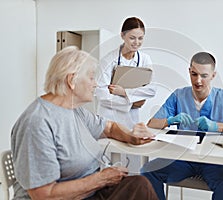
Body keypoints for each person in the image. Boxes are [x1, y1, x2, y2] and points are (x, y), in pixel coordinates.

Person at [11, 46, 158, 200]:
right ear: (72, 80)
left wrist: (131, 136)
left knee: (140, 185)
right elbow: (44, 195)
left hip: (89, 192)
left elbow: (109, 127)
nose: (95, 84)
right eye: (91, 77)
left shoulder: (74, 110)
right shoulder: (37, 123)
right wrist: (101, 179)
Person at [141, 52, 223, 200]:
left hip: (214, 160)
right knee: (148, 172)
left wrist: (216, 127)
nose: (198, 80)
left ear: (213, 75)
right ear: (189, 71)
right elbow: (152, 124)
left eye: (204, 76)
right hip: (183, 158)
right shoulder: (179, 95)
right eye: (194, 74)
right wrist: (171, 120)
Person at [96, 16, 156, 129]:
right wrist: (132, 103)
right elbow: (102, 95)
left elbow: (151, 90)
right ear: (123, 35)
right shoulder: (108, 60)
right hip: (109, 119)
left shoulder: (145, 59)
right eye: (132, 38)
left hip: (131, 121)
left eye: (140, 38)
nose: (136, 43)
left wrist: (124, 92)